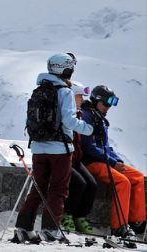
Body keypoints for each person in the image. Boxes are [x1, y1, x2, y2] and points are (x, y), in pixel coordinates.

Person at [13, 53, 93, 243]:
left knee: (37, 189)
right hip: (60, 149)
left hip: (38, 148)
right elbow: (68, 120)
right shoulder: (64, 91)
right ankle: (50, 230)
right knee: (58, 190)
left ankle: (23, 228)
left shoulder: (39, 90)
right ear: (66, 68)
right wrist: (87, 128)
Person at [81, 85, 146, 238]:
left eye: (110, 104)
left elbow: (106, 145)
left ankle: (136, 221)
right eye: (105, 104)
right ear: (96, 101)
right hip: (90, 162)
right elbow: (89, 147)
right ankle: (118, 226)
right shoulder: (87, 116)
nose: (108, 107)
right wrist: (112, 162)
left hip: (104, 160)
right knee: (122, 182)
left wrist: (117, 160)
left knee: (137, 177)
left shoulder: (99, 118)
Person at [61, 81, 97, 234]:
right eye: (79, 96)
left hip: (76, 159)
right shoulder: (68, 115)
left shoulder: (79, 114)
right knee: (79, 183)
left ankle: (80, 216)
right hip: (65, 157)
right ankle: (66, 214)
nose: (82, 99)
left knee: (92, 184)